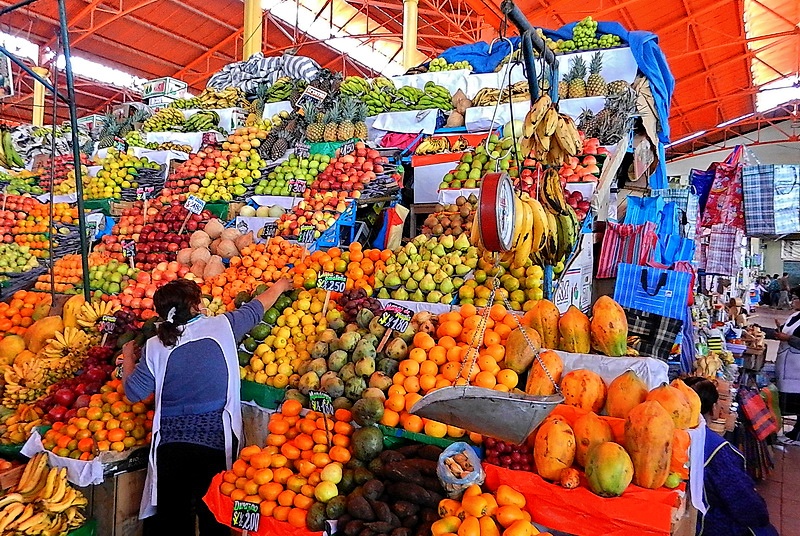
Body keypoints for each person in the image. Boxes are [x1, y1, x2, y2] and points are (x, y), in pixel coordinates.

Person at [121, 277, 292, 535]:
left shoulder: (155, 345)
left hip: (171, 446)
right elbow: (258, 306)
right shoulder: (222, 326)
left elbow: (133, 392)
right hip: (215, 440)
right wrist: (280, 285)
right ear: (194, 305)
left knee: (174, 521)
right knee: (215, 517)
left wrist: (128, 358)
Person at [683, 377, 778, 536]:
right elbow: (750, 509)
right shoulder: (719, 452)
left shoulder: (670, 436)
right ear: (714, 409)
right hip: (709, 527)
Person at [763, 287, 800, 441]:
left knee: (797, 401)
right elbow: (781, 332)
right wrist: (763, 331)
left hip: (797, 367)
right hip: (785, 365)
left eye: (796, 297)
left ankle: (797, 434)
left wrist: (788, 339)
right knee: (787, 398)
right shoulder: (795, 316)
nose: (794, 300)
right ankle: (793, 433)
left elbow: (790, 337)